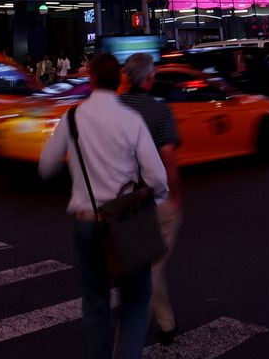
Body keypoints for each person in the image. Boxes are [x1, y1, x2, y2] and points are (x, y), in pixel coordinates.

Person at [38, 52, 169, 359]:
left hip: (85, 222)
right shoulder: (131, 120)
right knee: (136, 298)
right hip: (125, 221)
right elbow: (157, 177)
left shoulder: (71, 118)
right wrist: (156, 201)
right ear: (119, 80)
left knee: (95, 302)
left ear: (92, 79)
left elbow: (45, 166)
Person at [121, 53, 182, 346]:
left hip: (121, 201)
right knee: (153, 266)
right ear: (148, 78)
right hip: (153, 198)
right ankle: (133, 334)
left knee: (140, 264)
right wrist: (176, 195)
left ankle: (167, 323)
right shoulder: (158, 111)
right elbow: (168, 157)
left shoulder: (116, 108)